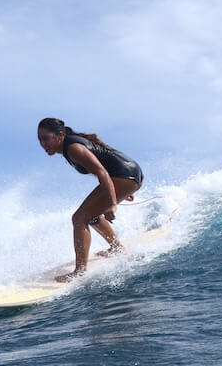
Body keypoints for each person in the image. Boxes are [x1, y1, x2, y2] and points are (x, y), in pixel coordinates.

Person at [37, 117, 144, 282]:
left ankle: (79, 271)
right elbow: (101, 167)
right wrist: (120, 190)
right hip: (129, 174)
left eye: (45, 138)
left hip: (125, 175)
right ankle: (116, 248)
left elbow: (102, 172)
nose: (43, 144)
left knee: (79, 218)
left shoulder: (73, 148)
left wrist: (112, 202)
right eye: (40, 140)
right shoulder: (69, 148)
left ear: (59, 135)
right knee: (91, 215)